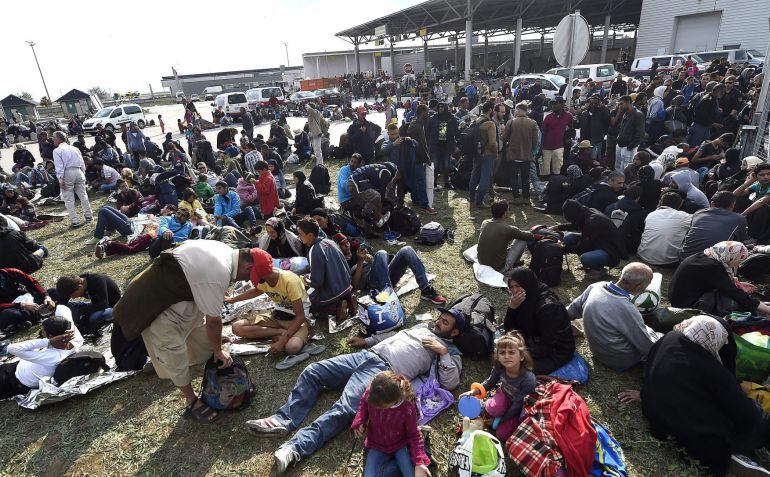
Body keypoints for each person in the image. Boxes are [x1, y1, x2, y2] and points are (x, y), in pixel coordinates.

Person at [245, 311, 464, 473]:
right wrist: (366, 341)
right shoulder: (421, 328)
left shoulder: (450, 351)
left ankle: (295, 448)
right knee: (313, 371)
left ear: (454, 332)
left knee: (345, 409)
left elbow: (450, 381)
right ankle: (283, 420)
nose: (438, 322)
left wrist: (443, 352)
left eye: (445, 323)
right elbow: (394, 335)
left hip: (383, 371)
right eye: (440, 318)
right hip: (366, 355)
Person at [113, 241, 252, 423]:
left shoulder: (225, 252)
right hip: (156, 306)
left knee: (202, 340)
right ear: (247, 266)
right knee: (173, 352)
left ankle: (178, 367)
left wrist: (215, 342)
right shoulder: (220, 270)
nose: (245, 281)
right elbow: (213, 322)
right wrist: (217, 349)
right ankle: (191, 400)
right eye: (249, 276)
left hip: (179, 301)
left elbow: (204, 312)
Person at [627, 316, 770, 476]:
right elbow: (746, 413)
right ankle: (732, 454)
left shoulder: (669, 338)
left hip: (657, 421)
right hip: (695, 440)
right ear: (714, 339)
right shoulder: (709, 368)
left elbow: (649, 372)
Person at [567, 262, 660, 371]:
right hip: (620, 360)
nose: (644, 290)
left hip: (597, 351)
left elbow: (572, 310)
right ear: (639, 286)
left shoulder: (596, 286)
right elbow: (645, 346)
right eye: (645, 286)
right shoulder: (627, 309)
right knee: (654, 335)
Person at [228, 248, 310, 355]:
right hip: (277, 316)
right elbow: (257, 291)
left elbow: (300, 317)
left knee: (292, 347)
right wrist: (234, 299)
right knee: (237, 327)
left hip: (295, 320)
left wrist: (282, 342)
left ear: (261, 272)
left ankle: (278, 335)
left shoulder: (290, 281)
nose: (249, 280)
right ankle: (278, 332)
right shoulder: (264, 278)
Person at [351, 370, 431, 477]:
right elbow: (364, 403)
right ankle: (414, 458)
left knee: (412, 474)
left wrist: (419, 463)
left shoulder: (407, 408)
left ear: (393, 402)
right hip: (376, 444)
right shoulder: (373, 392)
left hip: (400, 444)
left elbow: (413, 434)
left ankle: (418, 456)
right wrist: (359, 421)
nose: (376, 408)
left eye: (380, 407)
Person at [460, 332, 536, 442]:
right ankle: (488, 406)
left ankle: (496, 416)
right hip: (504, 396)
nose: (506, 356)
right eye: (502, 353)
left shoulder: (528, 379)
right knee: (493, 409)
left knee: (502, 435)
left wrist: (500, 421)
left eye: (511, 352)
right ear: (498, 356)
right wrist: (474, 392)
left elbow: (518, 405)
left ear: (522, 356)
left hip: (519, 408)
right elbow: (490, 383)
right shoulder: (499, 367)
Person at [502, 268, 575, 374]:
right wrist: (512, 307)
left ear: (527, 283)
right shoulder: (525, 297)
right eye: (511, 287)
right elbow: (509, 328)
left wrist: (520, 353)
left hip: (557, 351)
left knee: (514, 367)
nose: (515, 291)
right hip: (534, 340)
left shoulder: (548, 308)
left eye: (518, 286)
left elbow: (548, 344)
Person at [669, 241, 770, 316]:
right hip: (685, 305)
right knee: (730, 300)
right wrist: (764, 309)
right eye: (739, 260)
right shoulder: (712, 267)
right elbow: (733, 292)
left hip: (679, 297)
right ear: (731, 256)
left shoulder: (708, 255)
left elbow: (721, 281)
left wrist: (739, 284)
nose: (738, 264)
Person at [0, 315, 83, 400]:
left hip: (14, 381)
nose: (41, 332)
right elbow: (62, 307)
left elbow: (12, 348)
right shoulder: (76, 340)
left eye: (43, 331)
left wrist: (48, 342)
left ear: (50, 336)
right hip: (18, 367)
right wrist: (72, 327)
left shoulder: (53, 357)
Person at [346, 238, 446, 305]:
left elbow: (381, 266)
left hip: (387, 278)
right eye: (343, 244)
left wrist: (372, 260)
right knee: (381, 253)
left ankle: (426, 289)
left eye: (347, 243)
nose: (346, 246)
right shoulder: (348, 264)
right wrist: (359, 263)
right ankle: (390, 297)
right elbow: (355, 286)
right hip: (373, 285)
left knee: (407, 249)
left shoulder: (364, 255)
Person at [297, 218, 353, 318]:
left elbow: (317, 283)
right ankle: (345, 300)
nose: (299, 236)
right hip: (347, 286)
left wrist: (306, 280)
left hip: (331, 294)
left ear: (310, 236)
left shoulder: (314, 250)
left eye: (300, 234)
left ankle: (335, 308)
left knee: (303, 303)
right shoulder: (330, 241)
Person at [558, 199, 628, 278]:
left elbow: (582, 248)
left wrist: (563, 248)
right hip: (598, 242)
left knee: (585, 258)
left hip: (610, 251)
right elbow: (576, 224)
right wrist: (558, 227)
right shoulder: (587, 212)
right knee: (569, 237)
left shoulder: (592, 221)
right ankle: (592, 265)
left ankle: (598, 269)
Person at [680, 191, 747, 259]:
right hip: (712, 264)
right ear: (733, 205)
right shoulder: (739, 219)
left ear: (712, 204)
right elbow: (741, 240)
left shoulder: (698, 213)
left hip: (684, 259)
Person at [477, 200, 535, 275]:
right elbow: (529, 236)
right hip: (499, 269)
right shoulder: (508, 229)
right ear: (505, 213)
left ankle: (514, 262)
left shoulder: (485, 222)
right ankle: (515, 262)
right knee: (522, 240)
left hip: (482, 263)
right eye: (508, 210)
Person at [637, 192, 691, 266]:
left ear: (661, 202)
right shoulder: (685, 217)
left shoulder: (651, 214)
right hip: (669, 261)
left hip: (643, 255)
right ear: (680, 204)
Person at [52, 131, 93, 228]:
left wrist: (60, 180)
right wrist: (83, 174)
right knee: (83, 195)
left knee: (69, 199)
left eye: (54, 137)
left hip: (67, 173)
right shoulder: (75, 148)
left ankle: (75, 220)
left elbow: (59, 167)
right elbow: (82, 163)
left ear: (58, 139)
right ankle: (89, 216)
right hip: (78, 171)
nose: (53, 139)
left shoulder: (57, 151)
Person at [55, 273, 121, 332]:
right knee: (70, 306)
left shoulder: (98, 280)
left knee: (93, 318)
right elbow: (63, 302)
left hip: (112, 307)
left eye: (72, 295)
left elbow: (103, 304)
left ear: (80, 288)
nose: (73, 298)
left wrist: (79, 312)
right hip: (95, 304)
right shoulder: (75, 283)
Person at [503, 102, 540, 204]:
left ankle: (516, 197)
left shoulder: (511, 122)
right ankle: (526, 198)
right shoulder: (533, 123)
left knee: (514, 177)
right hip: (526, 155)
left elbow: (505, 138)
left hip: (513, 154)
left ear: (518, 110)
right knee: (525, 177)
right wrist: (531, 149)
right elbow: (535, 141)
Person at [0, 268, 56, 333]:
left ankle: (31, 317)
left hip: (28, 300)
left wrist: (46, 296)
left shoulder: (9, 272)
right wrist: (21, 305)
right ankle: (41, 313)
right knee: (8, 314)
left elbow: (32, 282)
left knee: (53, 291)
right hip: (10, 308)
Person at [469, 101, 499, 216]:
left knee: (474, 174)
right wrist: (495, 153)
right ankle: (479, 201)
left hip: (477, 152)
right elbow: (492, 142)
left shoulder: (476, 120)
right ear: (491, 110)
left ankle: (471, 198)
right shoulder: (490, 124)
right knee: (485, 177)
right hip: (487, 153)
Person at [347, 162, 398, 228]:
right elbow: (382, 193)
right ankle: (364, 217)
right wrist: (378, 212)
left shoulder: (378, 170)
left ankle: (360, 219)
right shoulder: (387, 172)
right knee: (376, 197)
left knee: (367, 202)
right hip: (356, 182)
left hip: (352, 183)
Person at [604, 185, 648, 253]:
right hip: (628, 245)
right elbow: (643, 230)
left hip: (609, 241)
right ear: (638, 197)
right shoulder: (641, 212)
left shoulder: (610, 207)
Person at [734, 163, 770, 244]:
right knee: (740, 200)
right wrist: (749, 181)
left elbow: (761, 201)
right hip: (761, 216)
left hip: (766, 216)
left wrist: (742, 215)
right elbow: (735, 195)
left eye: (769, 174)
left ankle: (754, 237)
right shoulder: (758, 185)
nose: (766, 177)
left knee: (763, 207)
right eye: (762, 175)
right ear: (756, 176)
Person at [427, 102, 458, 190]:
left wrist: (455, 144)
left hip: (447, 146)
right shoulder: (433, 119)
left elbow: (456, 132)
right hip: (435, 145)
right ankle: (434, 183)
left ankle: (447, 183)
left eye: (442, 107)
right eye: (439, 107)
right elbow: (427, 132)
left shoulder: (452, 118)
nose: (440, 109)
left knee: (446, 165)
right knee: (435, 165)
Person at [540, 96, 572, 177]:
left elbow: (571, 129)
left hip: (559, 146)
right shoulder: (548, 117)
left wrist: (567, 139)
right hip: (546, 147)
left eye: (555, 103)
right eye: (552, 104)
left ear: (562, 104)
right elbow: (543, 132)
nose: (553, 106)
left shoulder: (568, 116)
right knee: (544, 170)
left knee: (557, 169)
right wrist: (541, 147)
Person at [615, 95, 645, 172]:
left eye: (621, 104)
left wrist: (631, 146)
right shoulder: (625, 113)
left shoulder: (638, 114)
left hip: (629, 147)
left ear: (628, 102)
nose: (620, 106)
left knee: (627, 168)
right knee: (618, 167)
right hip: (620, 145)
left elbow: (640, 133)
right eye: (619, 104)